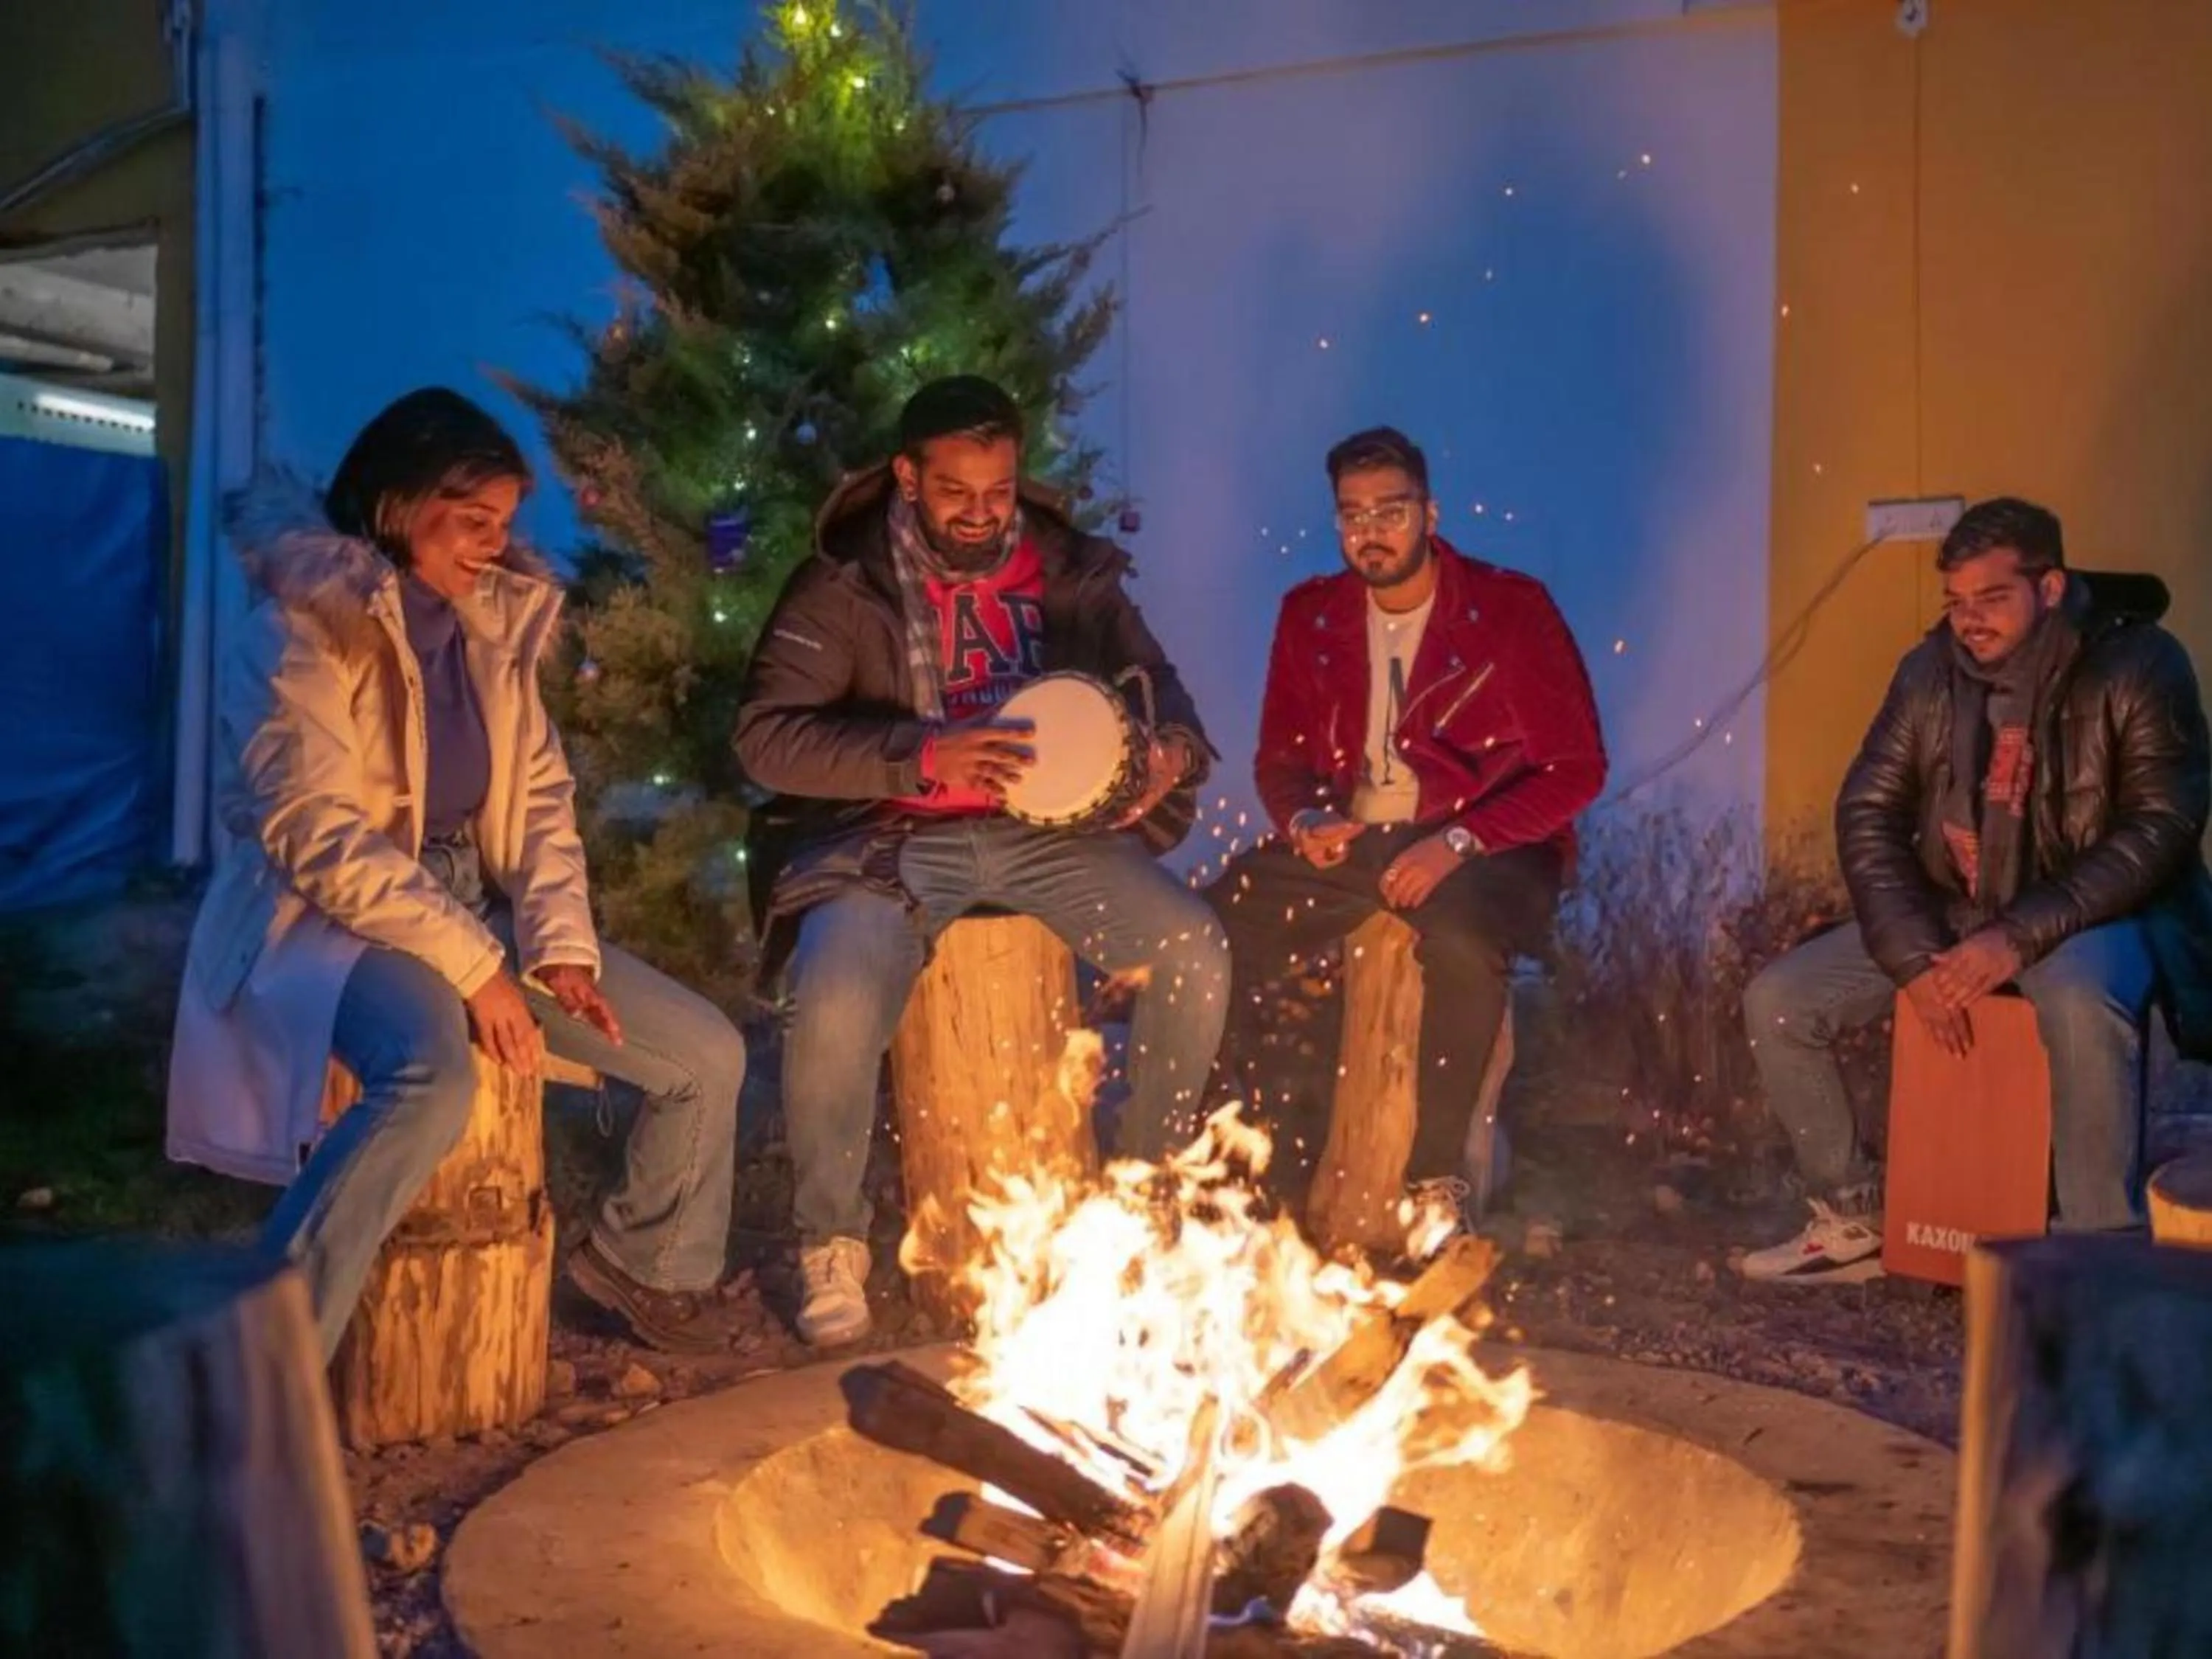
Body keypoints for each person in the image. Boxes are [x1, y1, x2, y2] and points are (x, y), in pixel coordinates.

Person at [167, 387, 749, 1356]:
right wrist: (478, 968)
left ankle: (640, 1266)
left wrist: (559, 948)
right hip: (329, 921)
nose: (491, 543)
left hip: (470, 906)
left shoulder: (489, 633)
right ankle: (266, 1359)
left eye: (505, 524)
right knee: (429, 1076)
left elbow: (543, 801)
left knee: (705, 1055)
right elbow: (313, 832)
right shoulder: (299, 628)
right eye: (471, 518)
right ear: (399, 502)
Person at [737, 375, 1230, 1346]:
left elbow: (1169, 698)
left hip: (1048, 835)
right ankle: (831, 1240)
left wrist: (1167, 750)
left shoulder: (1067, 569)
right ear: (909, 477)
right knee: (833, 998)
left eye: (998, 491)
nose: (979, 512)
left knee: (1193, 949)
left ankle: (1143, 1206)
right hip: (891, 840)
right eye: (956, 491)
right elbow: (765, 739)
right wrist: (922, 752)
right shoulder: (846, 584)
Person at [1741, 496, 2212, 1282]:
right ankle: (1853, 1213)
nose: (1969, 621)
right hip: (1954, 910)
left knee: (2077, 1001)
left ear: (2051, 588)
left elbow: (2161, 828)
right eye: (1956, 602)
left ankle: (2098, 1260)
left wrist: (2018, 935)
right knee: (1782, 1001)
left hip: (2095, 915)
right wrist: (1915, 958)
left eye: (1991, 599)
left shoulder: (2140, 664)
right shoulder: (1929, 673)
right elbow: (1868, 810)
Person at [1206, 426, 1607, 1222]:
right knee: (1214, 923)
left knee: (1460, 945)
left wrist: (1457, 842)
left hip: (1490, 841)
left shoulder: (1510, 609)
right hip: (1357, 843)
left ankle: (1434, 1182)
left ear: (1431, 512)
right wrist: (1305, 817)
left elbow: (1577, 768)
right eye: (1353, 515)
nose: (1371, 532)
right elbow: (1278, 762)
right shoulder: (1312, 616)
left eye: (1391, 511)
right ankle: (1221, 1154)